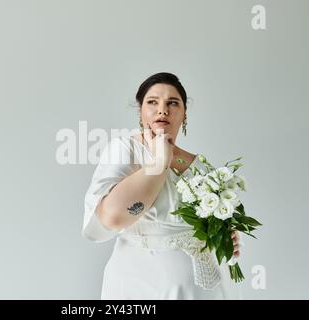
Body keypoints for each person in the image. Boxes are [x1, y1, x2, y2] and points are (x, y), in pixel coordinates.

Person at [82, 72, 243, 299]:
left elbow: (210, 221)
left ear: (184, 113)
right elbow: (112, 217)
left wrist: (224, 234)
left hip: (205, 289)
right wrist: (159, 163)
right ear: (141, 111)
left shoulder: (202, 166)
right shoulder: (127, 149)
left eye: (173, 103)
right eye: (153, 102)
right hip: (144, 287)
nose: (162, 109)